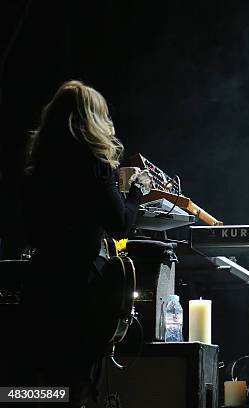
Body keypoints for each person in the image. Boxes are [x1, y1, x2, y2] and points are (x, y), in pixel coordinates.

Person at [18, 80, 151, 407]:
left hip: (39, 283)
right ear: (92, 120)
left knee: (38, 389)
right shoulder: (95, 164)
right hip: (80, 290)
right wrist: (136, 191)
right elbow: (120, 224)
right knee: (78, 387)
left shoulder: (38, 170)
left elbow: (31, 232)